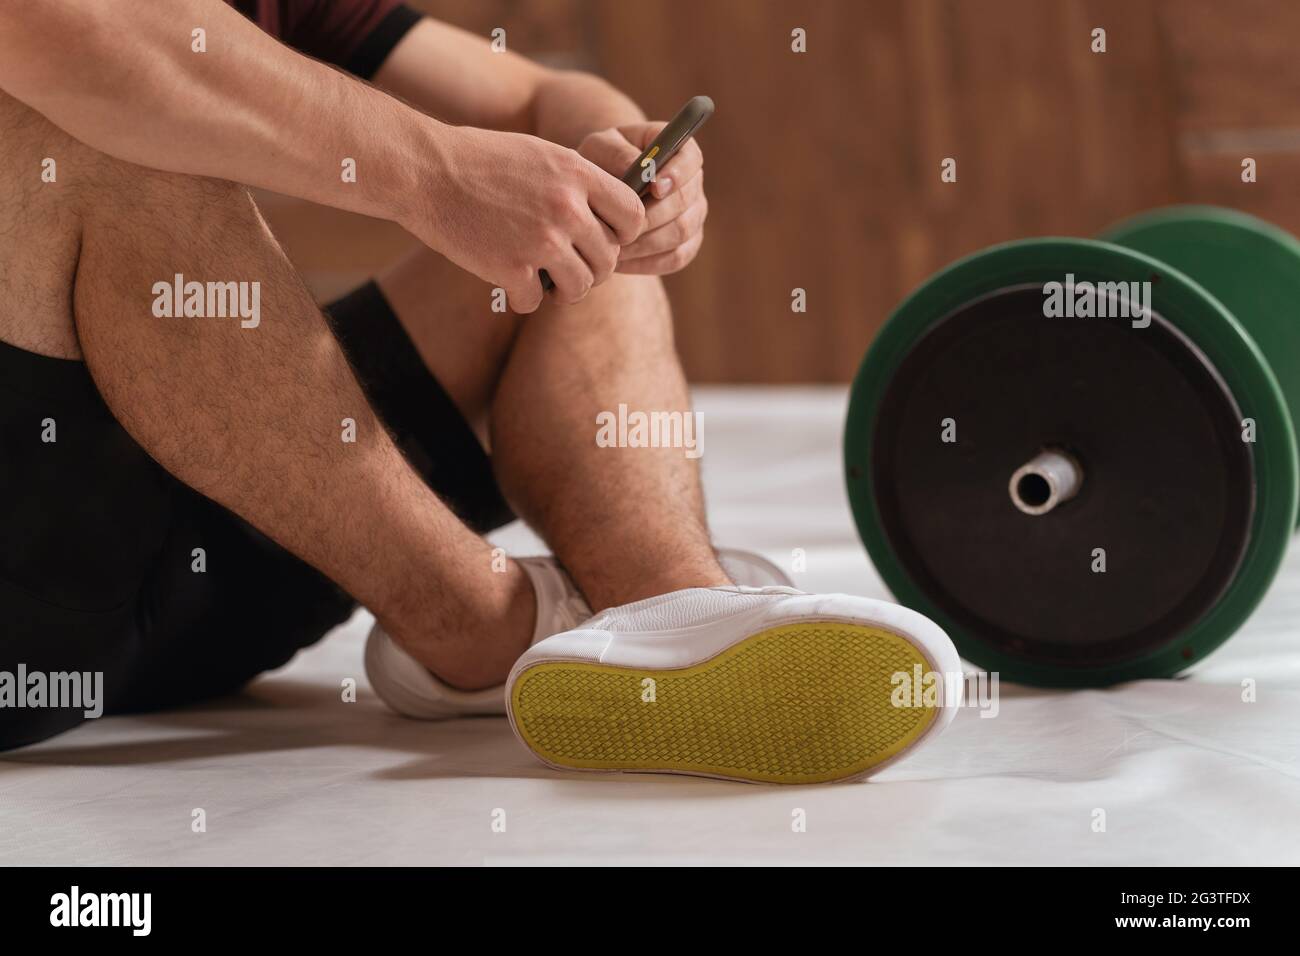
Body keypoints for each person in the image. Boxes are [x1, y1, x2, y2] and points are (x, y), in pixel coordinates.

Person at [0, 0, 959, 783]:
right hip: (28, 603)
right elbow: (53, 27)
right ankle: (483, 624)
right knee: (79, 118)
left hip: (244, 556)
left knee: (580, 212)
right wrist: (432, 171)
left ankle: (679, 618)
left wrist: (627, 164)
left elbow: (539, 96)